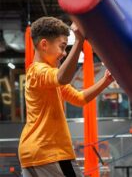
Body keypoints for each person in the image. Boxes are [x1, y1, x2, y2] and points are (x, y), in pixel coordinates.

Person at [18, 17, 114, 177]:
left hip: (31, 154)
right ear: (44, 45)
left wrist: (106, 81)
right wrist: (78, 42)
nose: (63, 53)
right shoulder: (38, 72)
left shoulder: (48, 77)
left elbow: (80, 98)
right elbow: (63, 77)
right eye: (62, 47)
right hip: (49, 152)